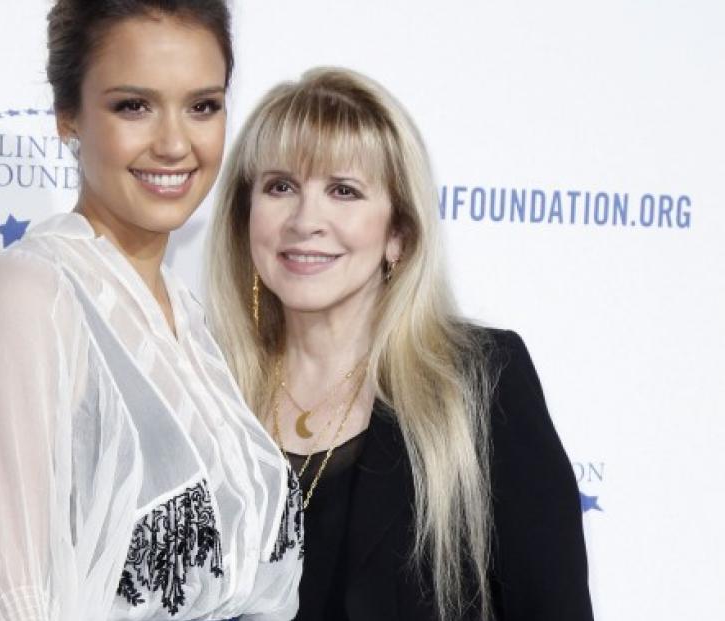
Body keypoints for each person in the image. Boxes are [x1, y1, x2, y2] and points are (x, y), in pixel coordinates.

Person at [0, 2, 303, 620]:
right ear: (69, 117)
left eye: (202, 106)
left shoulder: (192, 323)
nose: (174, 144)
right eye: (133, 106)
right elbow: (9, 603)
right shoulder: (23, 294)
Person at [206, 67, 594, 621]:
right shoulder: (202, 392)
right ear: (245, 217)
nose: (305, 220)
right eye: (280, 186)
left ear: (398, 235)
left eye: (343, 191)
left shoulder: (481, 382)